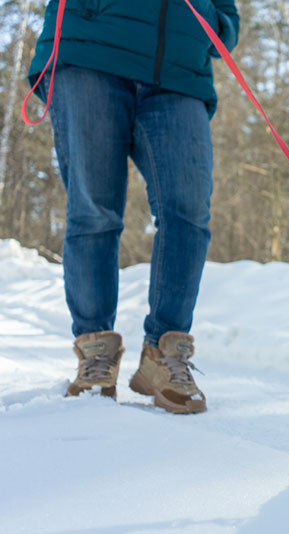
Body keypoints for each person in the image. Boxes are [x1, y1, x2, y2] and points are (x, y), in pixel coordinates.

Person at [27, 0, 239, 413]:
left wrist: (213, 20)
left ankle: (165, 351)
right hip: (91, 51)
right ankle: (95, 353)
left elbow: (226, 25)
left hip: (178, 71)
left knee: (189, 213)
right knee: (94, 212)